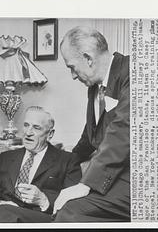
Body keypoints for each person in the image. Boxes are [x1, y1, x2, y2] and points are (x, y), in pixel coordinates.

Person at [53, 26, 130, 222]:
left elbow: (121, 133)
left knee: (70, 212)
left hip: (134, 180)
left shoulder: (133, 70)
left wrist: (85, 184)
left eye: (71, 67)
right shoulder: (95, 85)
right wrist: (61, 162)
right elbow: (90, 137)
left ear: (88, 58)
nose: (72, 75)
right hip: (113, 177)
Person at [0, 106, 82, 223]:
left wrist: (43, 200)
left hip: (42, 219)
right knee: (4, 211)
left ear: (50, 134)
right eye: (26, 125)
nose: (28, 133)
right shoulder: (5, 158)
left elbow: (74, 204)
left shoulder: (68, 160)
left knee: (5, 212)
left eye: (36, 128)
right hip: (6, 217)